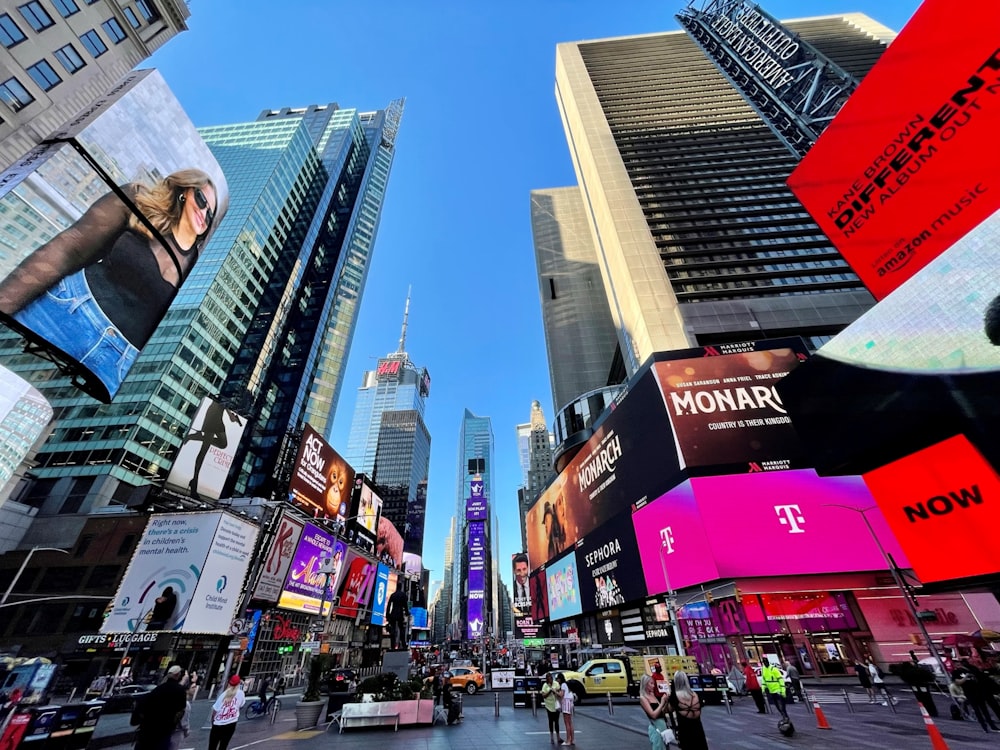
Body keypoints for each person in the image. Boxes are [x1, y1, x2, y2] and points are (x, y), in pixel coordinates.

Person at [0, 169, 218, 401]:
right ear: (184, 190)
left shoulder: (196, 264)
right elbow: (69, 249)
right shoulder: (139, 200)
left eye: (211, 214)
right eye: (202, 200)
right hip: (67, 312)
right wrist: (4, 301)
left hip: (115, 362)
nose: (204, 213)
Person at [177, 400, 243, 499]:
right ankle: (194, 484)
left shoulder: (227, 400)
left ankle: (195, 436)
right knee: (203, 451)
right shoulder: (226, 399)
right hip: (212, 419)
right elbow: (231, 418)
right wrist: (236, 419)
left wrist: (236, 418)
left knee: (223, 444)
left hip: (216, 418)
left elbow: (230, 415)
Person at [134, 665, 187, 750]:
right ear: (178, 675)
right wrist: (173, 724)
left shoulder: (157, 689)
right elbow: (181, 711)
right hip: (164, 729)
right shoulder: (180, 691)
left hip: (147, 729)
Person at [952, 660, 999, 732]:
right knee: (977, 710)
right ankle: (984, 726)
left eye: (959, 664)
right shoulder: (955, 672)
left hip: (978, 691)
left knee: (984, 709)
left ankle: (992, 725)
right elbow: (958, 682)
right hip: (969, 693)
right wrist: (966, 677)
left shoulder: (971, 669)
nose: (959, 665)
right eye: (957, 664)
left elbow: (980, 676)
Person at [669, 671, 709, 750]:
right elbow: (701, 705)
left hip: (685, 731)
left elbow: (668, 710)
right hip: (698, 730)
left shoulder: (675, 697)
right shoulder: (696, 695)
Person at [209, 675, 245, 750]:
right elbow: (241, 705)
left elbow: (215, 711)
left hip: (218, 724)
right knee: (223, 745)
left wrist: (213, 721)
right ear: (238, 684)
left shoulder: (223, 695)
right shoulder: (241, 693)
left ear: (229, 683)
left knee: (212, 746)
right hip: (231, 723)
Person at [639, 673, 671, 750]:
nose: (653, 686)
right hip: (656, 727)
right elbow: (653, 715)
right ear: (645, 684)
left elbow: (662, 712)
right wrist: (662, 703)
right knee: (658, 747)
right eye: (651, 683)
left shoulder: (653, 695)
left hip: (663, 725)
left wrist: (666, 702)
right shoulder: (643, 698)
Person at [541, 672, 564, 745]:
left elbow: (559, 692)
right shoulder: (545, 685)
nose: (550, 680)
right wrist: (549, 691)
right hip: (549, 705)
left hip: (556, 704)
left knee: (556, 721)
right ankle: (551, 738)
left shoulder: (556, 684)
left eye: (551, 679)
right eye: (548, 679)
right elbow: (544, 695)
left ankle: (558, 737)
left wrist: (554, 691)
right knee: (550, 721)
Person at [385, 583, 410, 651]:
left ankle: (392, 646)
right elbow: (405, 605)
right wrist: (407, 613)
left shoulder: (393, 595)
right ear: (401, 587)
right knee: (401, 629)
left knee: (392, 630)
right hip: (400, 613)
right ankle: (403, 645)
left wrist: (387, 614)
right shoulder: (403, 595)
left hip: (393, 613)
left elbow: (389, 605)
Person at [557, 673, 575, 745]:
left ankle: (568, 740)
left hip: (566, 703)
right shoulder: (567, 684)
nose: (557, 680)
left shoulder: (563, 685)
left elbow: (561, 695)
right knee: (570, 722)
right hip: (569, 703)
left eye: (558, 679)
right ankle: (572, 739)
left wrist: (555, 691)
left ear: (560, 679)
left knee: (566, 722)